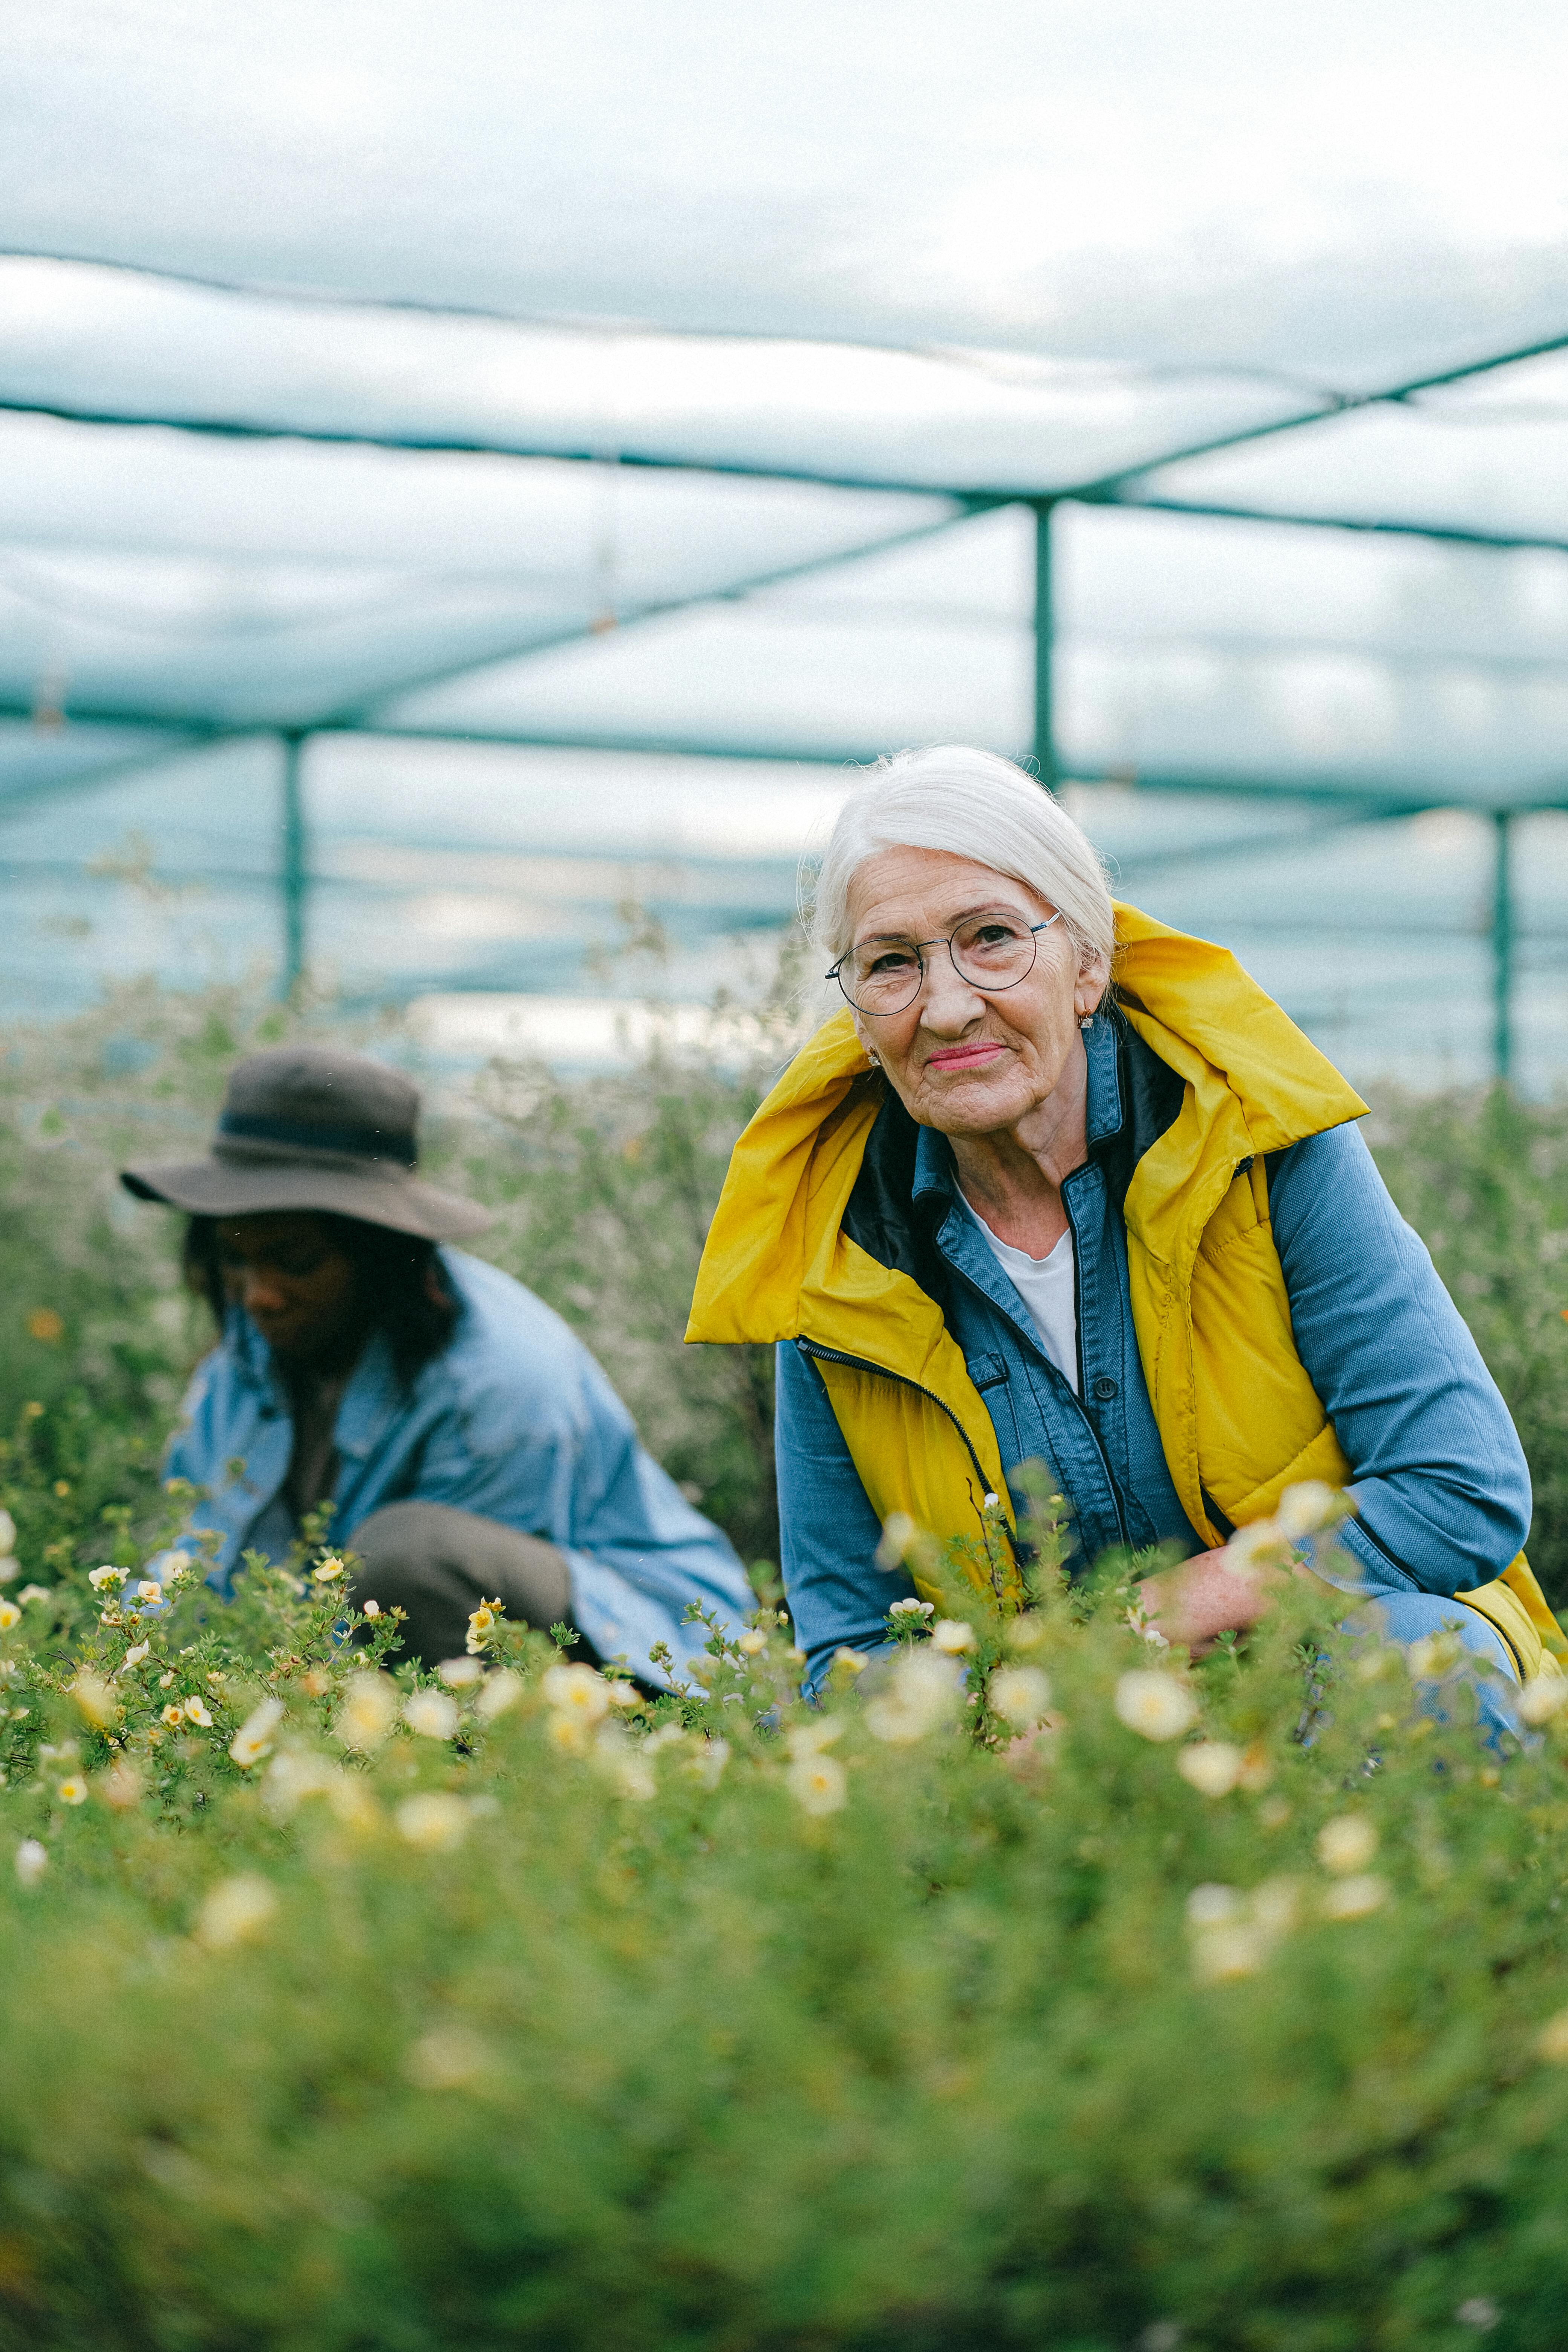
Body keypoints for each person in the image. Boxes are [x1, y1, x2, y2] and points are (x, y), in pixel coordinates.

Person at [687, 745, 1566, 1723]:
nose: (945, 1006)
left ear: (1088, 964)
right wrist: (1001, 1735)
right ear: (856, 1011)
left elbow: (1459, 1488)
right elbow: (851, 1647)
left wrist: (1137, 1634)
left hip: (1314, 1662)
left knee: (1419, 1663)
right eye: (891, 962)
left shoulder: (1261, 1149)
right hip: (1042, 1740)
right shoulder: (830, 1255)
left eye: (990, 939)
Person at [123, 1045, 752, 1682]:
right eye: (235, 1259)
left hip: (655, 1654)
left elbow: (437, 1622)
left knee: (406, 1559)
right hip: (368, 1653)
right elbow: (201, 1555)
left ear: (377, 1254)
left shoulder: (501, 1382)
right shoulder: (253, 1350)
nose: (258, 1294)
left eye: (297, 1260)